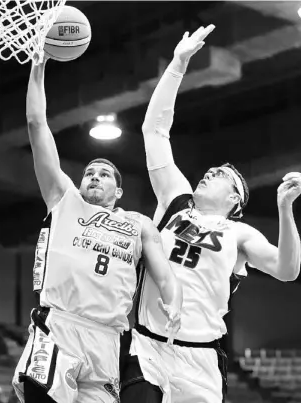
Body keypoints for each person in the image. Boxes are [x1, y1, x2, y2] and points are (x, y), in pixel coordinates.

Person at [120, 24, 301, 403]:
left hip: (201, 356)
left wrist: (285, 210)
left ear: (236, 201)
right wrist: (177, 64)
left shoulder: (240, 234)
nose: (211, 173)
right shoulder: (176, 200)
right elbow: (154, 132)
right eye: (211, 170)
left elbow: (288, 271)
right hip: (147, 346)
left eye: (223, 175)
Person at [12, 56, 182, 403]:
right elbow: (36, 123)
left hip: (108, 338)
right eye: (90, 172)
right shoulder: (64, 199)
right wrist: (38, 68)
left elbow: (165, 277)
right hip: (58, 326)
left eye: (104, 174)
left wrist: (174, 304)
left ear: (118, 192)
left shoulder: (139, 224)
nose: (94, 177)